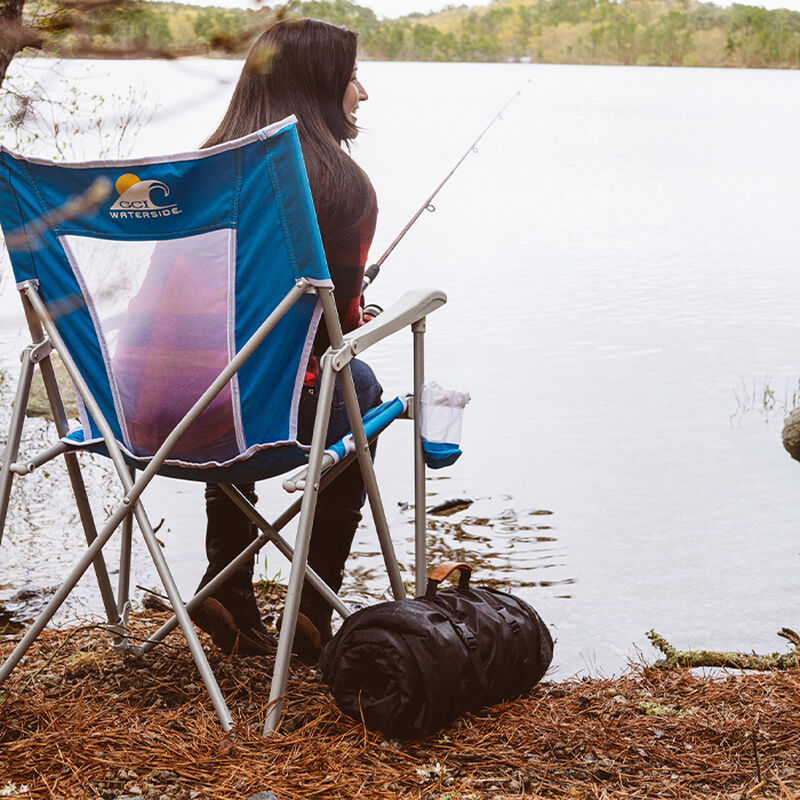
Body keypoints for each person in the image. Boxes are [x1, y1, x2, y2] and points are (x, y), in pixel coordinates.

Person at [190, 16, 382, 664]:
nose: (364, 92)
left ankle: (226, 586)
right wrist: (359, 309)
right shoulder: (341, 187)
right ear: (323, 84)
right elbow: (339, 328)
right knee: (359, 385)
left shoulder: (197, 175)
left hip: (151, 417)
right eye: (354, 75)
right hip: (259, 414)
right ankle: (309, 612)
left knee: (233, 366)